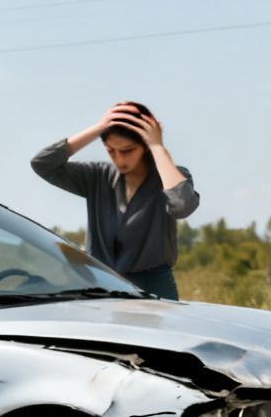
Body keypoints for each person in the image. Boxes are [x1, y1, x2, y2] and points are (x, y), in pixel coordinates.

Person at [30, 101, 200, 299]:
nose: (119, 159)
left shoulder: (171, 176)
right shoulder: (97, 176)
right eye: (111, 150)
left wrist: (157, 146)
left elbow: (182, 206)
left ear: (144, 146)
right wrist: (99, 128)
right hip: (101, 282)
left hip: (154, 284)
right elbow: (43, 164)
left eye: (127, 150)